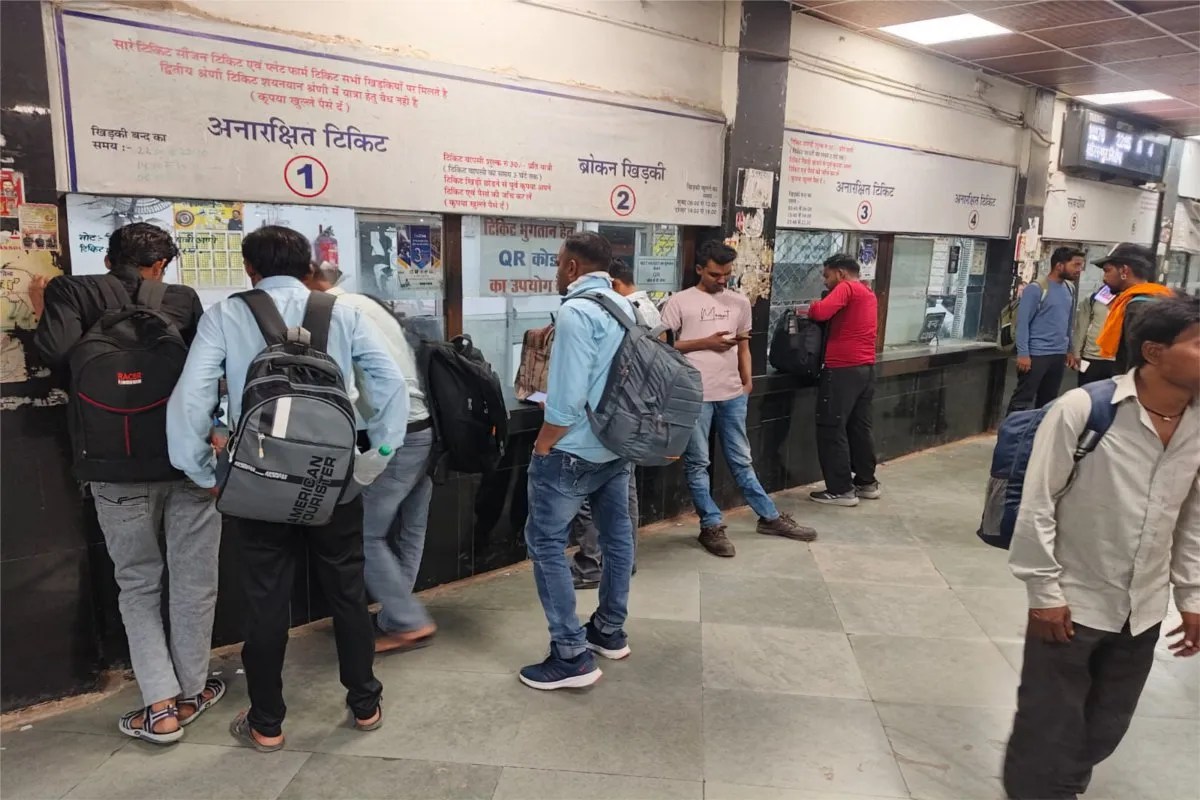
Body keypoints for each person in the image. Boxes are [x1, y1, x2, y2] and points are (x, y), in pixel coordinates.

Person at [166, 226, 409, 751]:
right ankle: (365, 704)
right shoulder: (344, 312)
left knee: (264, 602)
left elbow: (191, 401)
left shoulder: (227, 314)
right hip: (333, 477)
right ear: (307, 267)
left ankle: (267, 722)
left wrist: (203, 474)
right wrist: (373, 462)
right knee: (346, 593)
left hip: (257, 480)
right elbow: (391, 389)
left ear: (250, 269)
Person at [33, 223, 224, 744]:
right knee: (195, 581)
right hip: (184, 462)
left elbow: (54, 355)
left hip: (111, 467)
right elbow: (209, 375)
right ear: (161, 264)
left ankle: (159, 708)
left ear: (111, 257)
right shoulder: (181, 300)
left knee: (137, 583)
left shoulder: (72, 291)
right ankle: (192, 691)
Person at [1004, 292, 1200, 800]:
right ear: (1154, 352)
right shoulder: (1084, 409)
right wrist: (1044, 593)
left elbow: (1192, 520)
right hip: (1073, 601)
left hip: (1143, 608)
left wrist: (1191, 598)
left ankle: (1064, 787)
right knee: (1047, 725)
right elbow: (1037, 505)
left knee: (1105, 724)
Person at [521, 232, 637, 690]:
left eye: (557, 263)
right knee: (617, 535)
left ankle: (570, 655)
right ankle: (609, 630)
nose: (555, 271)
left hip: (572, 451)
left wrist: (543, 444)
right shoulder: (626, 306)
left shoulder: (575, 312)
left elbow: (566, 401)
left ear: (571, 267)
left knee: (546, 542)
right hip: (617, 443)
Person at [303, 265, 437, 653]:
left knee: (367, 532)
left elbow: (345, 382)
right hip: (425, 427)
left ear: (310, 281)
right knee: (410, 526)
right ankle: (402, 615)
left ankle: (409, 621)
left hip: (394, 435)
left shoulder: (333, 313)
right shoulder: (367, 302)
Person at [661, 240, 816, 558]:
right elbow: (662, 348)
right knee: (697, 463)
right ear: (700, 269)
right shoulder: (679, 302)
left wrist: (746, 382)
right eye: (716, 274)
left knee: (742, 460)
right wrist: (705, 342)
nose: (723, 280)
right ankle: (711, 525)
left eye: (727, 274)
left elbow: (743, 346)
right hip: (694, 395)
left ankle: (770, 517)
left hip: (732, 393)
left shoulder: (739, 302)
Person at [567, 258, 647, 590]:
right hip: (631, 418)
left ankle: (591, 566)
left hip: (599, 423)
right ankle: (623, 562)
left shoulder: (595, 312)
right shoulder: (641, 311)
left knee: (588, 498)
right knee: (624, 495)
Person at [805, 254, 880, 507]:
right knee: (859, 427)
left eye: (827, 276)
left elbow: (820, 312)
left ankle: (840, 490)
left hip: (842, 369)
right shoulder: (868, 292)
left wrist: (813, 306)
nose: (826, 282)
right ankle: (866, 482)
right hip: (865, 369)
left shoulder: (847, 287)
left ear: (840, 273)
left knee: (831, 427)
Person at [1006, 247, 1084, 415]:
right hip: (1036, 355)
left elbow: (1069, 323)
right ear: (1059, 265)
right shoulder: (1036, 289)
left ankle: (1037, 437)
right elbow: (1023, 323)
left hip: (1058, 355)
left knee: (1048, 402)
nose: (1079, 270)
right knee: (1022, 400)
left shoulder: (1070, 289)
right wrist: (1024, 354)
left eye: (1081, 266)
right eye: (1076, 265)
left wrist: (1070, 349)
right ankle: (1011, 436)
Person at [1091, 242, 1174, 374]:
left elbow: (1136, 358)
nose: (1104, 278)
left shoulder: (1137, 307)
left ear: (1124, 270)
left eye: (1107, 270)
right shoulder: (1162, 298)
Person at [1071, 280, 1116, 387]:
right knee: (1086, 393)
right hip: (1091, 356)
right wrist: (1076, 353)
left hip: (1116, 359)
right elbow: (1081, 327)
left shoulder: (1129, 299)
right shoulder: (1092, 299)